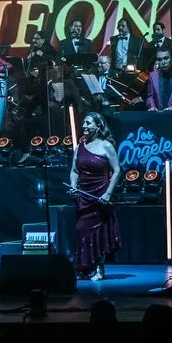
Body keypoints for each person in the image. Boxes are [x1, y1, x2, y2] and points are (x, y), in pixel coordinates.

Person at [68, 112, 121, 280]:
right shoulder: (80, 147)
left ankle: (99, 268)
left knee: (99, 231)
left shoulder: (106, 145)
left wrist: (108, 193)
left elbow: (117, 170)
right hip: (84, 196)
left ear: (98, 127)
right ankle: (84, 268)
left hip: (100, 194)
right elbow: (75, 171)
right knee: (80, 230)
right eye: (84, 123)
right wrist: (73, 185)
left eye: (88, 123)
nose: (84, 126)